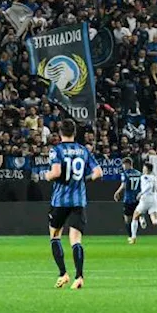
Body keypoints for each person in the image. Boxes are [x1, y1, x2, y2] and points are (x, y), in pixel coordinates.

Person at [42, 120, 101, 290]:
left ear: (60, 133)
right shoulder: (83, 150)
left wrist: (47, 175)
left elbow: (56, 173)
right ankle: (79, 277)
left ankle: (63, 274)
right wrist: (84, 179)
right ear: (74, 132)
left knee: (55, 236)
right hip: (78, 201)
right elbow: (98, 173)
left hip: (60, 201)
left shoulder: (57, 150)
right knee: (76, 240)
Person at [114, 158, 142, 244]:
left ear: (129, 164)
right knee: (135, 217)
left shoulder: (125, 174)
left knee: (127, 220)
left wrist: (117, 192)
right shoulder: (139, 173)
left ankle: (131, 236)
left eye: (124, 164)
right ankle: (141, 218)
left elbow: (124, 185)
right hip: (137, 198)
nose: (123, 166)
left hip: (128, 199)